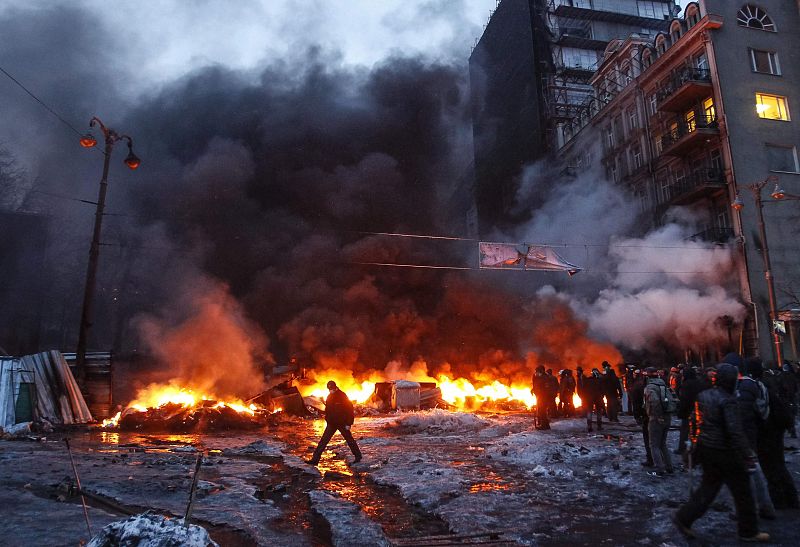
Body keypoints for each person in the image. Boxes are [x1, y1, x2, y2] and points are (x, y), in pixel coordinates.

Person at [674, 363, 767, 542]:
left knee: (708, 488)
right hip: (726, 452)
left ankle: (683, 517)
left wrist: (694, 445)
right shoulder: (728, 400)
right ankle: (748, 531)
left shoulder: (704, 395)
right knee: (743, 492)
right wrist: (747, 453)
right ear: (731, 380)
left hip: (707, 449)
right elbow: (734, 431)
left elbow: (696, 422)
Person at [728, 354, 776, 520]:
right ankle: (765, 506)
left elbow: (739, 416)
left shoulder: (742, 387)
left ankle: (749, 511)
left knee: (744, 476)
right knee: (754, 472)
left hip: (744, 437)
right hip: (751, 434)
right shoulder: (752, 385)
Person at [760, 362, 800, 509]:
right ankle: (791, 498)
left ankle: (779, 500)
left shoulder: (764, 391)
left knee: (772, 468)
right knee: (779, 466)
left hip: (769, 433)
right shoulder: (773, 386)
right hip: (776, 432)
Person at [307, 381, 362, 465]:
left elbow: (349, 410)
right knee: (323, 441)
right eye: (329, 389)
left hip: (342, 423)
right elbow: (328, 409)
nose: (331, 390)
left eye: (332, 389)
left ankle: (358, 457)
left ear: (335, 387)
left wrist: (349, 423)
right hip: (332, 423)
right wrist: (328, 419)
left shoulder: (342, 396)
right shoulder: (329, 396)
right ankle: (315, 459)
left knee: (349, 440)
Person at [643, 367, 674, 476]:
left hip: (656, 419)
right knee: (662, 444)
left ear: (648, 376)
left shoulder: (650, 387)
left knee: (654, 445)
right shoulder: (663, 385)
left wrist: (657, 416)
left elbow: (654, 402)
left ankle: (659, 468)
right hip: (667, 417)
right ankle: (669, 466)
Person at [577, 366, 604, 432]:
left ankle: (589, 426)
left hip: (589, 398)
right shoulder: (599, 381)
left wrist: (584, 397)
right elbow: (602, 389)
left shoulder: (588, 381)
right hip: (598, 398)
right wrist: (602, 396)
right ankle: (599, 426)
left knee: (589, 412)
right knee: (598, 411)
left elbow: (584, 389)